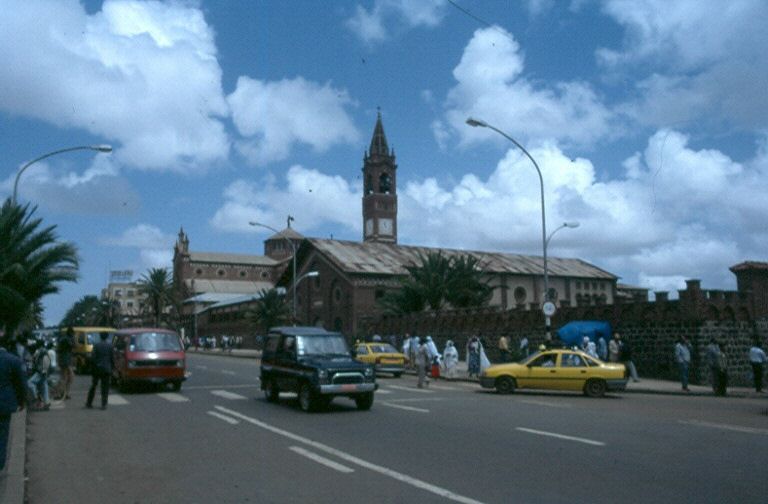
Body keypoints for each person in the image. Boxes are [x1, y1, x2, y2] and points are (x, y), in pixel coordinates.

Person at [0, 341, 26, 473]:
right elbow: (21, 384)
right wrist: (22, 402)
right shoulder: (13, 360)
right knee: (2, 435)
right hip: (4, 404)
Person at [86, 332, 114, 410]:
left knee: (94, 386)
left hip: (97, 369)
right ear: (107, 337)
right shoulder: (110, 346)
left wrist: (93, 366)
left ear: (100, 337)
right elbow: (112, 358)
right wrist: (113, 368)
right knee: (105, 387)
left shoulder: (96, 345)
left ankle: (89, 402)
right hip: (107, 368)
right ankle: (104, 404)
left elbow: (93, 357)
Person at [27, 342, 51, 410]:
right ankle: (46, 402)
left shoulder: (39, 351)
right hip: (44, 371)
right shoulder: (46, 351)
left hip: (40, 371)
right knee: (44, 385)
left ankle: (36, 398)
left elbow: (33, 360)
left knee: (30, 383)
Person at [57, 327, 75, 400]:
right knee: (67, 377)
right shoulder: (67, 339)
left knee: (66, 377)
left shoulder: (63, 338)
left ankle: (63, 393)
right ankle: (61, 393)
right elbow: (73, 345)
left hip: (64, 360)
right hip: (65, 360)